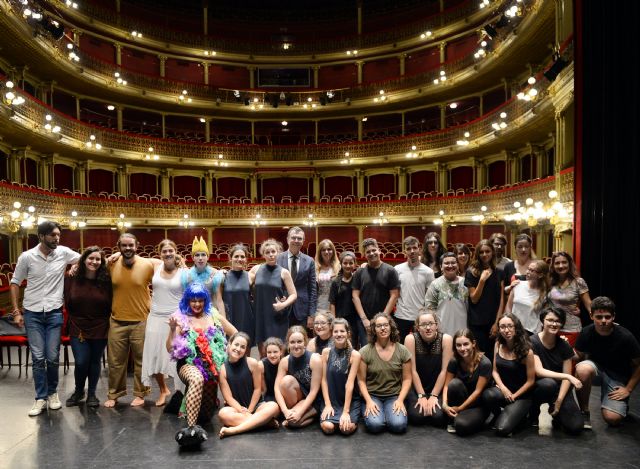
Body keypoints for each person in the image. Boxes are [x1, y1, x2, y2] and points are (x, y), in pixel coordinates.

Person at [10, 221, 81, 416]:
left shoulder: (64, 252)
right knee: (38, 357)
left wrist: (74, 266)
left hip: (54, 313)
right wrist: (16, 312)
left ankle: (52, 394)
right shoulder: (27, 257)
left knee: (52, 357)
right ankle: (40, 397)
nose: (57, 238)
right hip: (32, 313)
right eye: (52, 235)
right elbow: (15, 283)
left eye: (58, 235)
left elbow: (87, 258)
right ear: (41, 236)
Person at [167, 283, 236, 447]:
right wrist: (172, 330)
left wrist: (229, 351)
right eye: (193, 301)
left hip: (211, 368)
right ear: (187, 301)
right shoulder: (181, 318)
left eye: (200, 300)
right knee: (197, 379)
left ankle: (180, 403)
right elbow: (170, 348)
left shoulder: (214, 316)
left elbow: (235, 333)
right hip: (188, 364)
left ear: (205, 300)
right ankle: (191, 430)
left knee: (205, 416)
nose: (197, 304)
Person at [104, 233, 155, 408]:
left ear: (137, 245)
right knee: (115, 361)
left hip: (141, 319)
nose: (127, 249)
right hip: (117, 320)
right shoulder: (111, 264)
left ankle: (141, 394)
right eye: (124, 245)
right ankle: (114, 394)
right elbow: (91, 266)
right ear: (118, 246)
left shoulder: (147, 265)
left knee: (142, 360)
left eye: (130, 245)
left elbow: (165, 275)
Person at [575, 296, 640, 428]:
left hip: (617, 375)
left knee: (612, 419)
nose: (603, 321)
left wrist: (628, 389)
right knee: (582, 369)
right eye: (599, 317)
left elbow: (638, 365)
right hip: (596, 369)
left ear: (613, 317)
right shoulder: (587, 332)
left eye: (607, 317)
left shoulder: (625, 337)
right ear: (592, 316)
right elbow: (578, 355)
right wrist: (562, 348)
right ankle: (584, 411)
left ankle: (618, 406)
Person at [63, 246, 111, 408]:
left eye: (98, 259)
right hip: (78, 326)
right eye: (90, 258)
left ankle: (92, 394)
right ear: (83, 260)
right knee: (82, 361)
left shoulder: (106, 281)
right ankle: (78, 391)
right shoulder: (71, 278)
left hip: (100, 325)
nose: (94, 261)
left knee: (94, 361)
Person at [142, 239, 185, 407]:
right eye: (164, 251)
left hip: (176, 317)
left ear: (176, 252)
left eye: (170, 250)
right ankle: (163, 390)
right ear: (160, 253)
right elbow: (135, 257)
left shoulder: (184, 271)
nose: (167, 253)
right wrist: (115, 254)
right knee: (155, 355)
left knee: (176, 356)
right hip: (155, 316)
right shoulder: (155, 265)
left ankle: (179, 393)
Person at [530, 307, 584, 434]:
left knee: (575, 427)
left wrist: (559, 402)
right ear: (542, 321)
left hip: (560, 388)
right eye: (550, 320)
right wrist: (569, 377)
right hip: (539, 386)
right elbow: (539, 371)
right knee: (548, 384)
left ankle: (556, 414)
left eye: (558, 321)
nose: (554, 324)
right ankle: (533, 412)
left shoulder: (564, 345)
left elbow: (565, 378)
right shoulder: (532, 341)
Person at [218, 332, 280, 438]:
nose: (238, 349)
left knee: (273, 406)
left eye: (243, 347)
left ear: (246, 349)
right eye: (236, 345)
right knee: (222, 414)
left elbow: (257, 389)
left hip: (256, 407)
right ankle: (264, 423)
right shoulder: (223, 369)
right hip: (236, 409)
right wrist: (241, 410)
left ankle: (235, 430)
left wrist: (250, 410)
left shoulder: (252, 363)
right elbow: (228, 397)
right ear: (230, 344)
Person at [358, 313, 411, 434]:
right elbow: (361, 380)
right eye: (379, 326)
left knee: (398, 425)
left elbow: (407, 379)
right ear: (374, 330)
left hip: (394, 396)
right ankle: (383, 415)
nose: (383, 328)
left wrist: (400, 400)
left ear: (391, 327)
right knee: (375, 425)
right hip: (373, 395)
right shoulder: (365, 351)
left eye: (386, 325)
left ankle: (388, 414)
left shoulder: (402, 350)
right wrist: (368, 401)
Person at [483, 313, 535, 437]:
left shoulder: (527, 351)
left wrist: (514, 395)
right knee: (488, 395)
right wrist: (504, 389)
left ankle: (520, 415)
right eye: (502, 327)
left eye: (510, 326)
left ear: (516, 327)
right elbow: (494, 371)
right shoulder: (498, 344)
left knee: (502, 429)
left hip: (521, 396)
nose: (506, 330)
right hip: (504, 392)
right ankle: (498, 413)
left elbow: (531, 381)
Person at [404, 311, 451, 427]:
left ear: (436, 325)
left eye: (431, 323)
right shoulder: (411, 339)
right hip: (417, 387)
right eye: (423, 324)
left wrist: (434, 396)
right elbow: (412, 370)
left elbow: (444, 371)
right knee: (416, 418)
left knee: (438, 418)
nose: (428, 327)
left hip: (437, 387)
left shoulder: (446, 339)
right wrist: (422, 396)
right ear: (418, 328)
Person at [251, 239, 297, 356]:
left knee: (278, 352)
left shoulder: (284, 272)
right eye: (268, 252)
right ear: (263, 254)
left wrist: (283, 305)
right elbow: (244, 283)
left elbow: (294, 294)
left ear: (278, 253)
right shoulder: (256, 269)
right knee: (262, 352)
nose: (271, 255)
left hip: (277, 316)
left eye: (273, 251)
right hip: (260, 315)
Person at [442, 329, 492, 436]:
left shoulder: (485, 363)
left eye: (466, 344)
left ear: (473, 343)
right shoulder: (454, 361)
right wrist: (445, 404)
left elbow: (477, 392)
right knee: (454, 384)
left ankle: (464, 417)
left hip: (478, 404)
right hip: (461, 399)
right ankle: (456, 416)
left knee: (462, 426)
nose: (462, 348)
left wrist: (460, 408)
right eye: (458, 345)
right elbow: (446, 385)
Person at [352, 238, 400, 349]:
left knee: (385, 348)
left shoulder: (390, 270)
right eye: (368, 252)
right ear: (364, 254)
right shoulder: (360, 272)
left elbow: (394, 295)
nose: (371, 253)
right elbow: (355, 296)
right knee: (367, 349)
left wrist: (382, 319)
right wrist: (364, 320)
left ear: (379, 250)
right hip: (364, 320)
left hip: (385, 317)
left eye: (374, 250)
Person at [274, 326, 323, 428]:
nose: (296, 346)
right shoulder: (285, 361)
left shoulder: (315, 359)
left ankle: (313, 414)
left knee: (293, 423)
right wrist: (285, 411)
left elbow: (314, 391)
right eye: (292, 342)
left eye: (299, 342)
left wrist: (300, 412)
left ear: (305, 342)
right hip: (300, 397)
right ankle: (294, 413)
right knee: (286, 381)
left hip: (315, 400)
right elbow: (277, 389)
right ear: (288, 343)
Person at [320, 318, 362, 435]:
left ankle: (347, 417)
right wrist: (328, 405)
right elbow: (323, 381)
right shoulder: (326, 352)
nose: (339, 334)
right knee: (328, 427)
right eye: (336, 331)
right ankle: (333, 418)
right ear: (331, 333)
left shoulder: (355, 355)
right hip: (332, 400)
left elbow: (350, 384)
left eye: (342, 331)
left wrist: (345, 412)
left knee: (346, 429)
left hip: (349, 401)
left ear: (348, 333)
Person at [465, 240, 504, 356]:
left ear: (492, 252)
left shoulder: (499, 272)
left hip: (493, 322)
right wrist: (481, 281)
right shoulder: (471, 272)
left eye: (487, 251)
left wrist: (497, 323)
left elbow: (502, 300)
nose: (484, 254)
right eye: (481, 252)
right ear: (478, 254)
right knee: (478, 356)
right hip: (477, 323)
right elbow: (474, 299)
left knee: (494, 355)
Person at [394, 236, 435, 340]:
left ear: (419, 249)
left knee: (420, 348)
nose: (412, 251)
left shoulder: (428, 272)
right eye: (408, 249)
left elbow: (430, 297)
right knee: (400, 347)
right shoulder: (397, 269)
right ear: (404, 251)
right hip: (401, 316)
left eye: (414, 248)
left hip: (419, 317)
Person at [547, 251, 591, 345]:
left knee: (569, 358)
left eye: (564, 262)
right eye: (557, 263)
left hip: (571, 329)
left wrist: (601, 318)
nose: (561, 266)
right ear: (553, 266)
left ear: (569, 263)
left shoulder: (578, 282)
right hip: (551, 327)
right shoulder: (550, 282)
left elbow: (589, 305)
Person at [277, 227, 317, 329]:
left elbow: (312, 289)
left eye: (299, 238)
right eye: (293, 238)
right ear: (287, 239)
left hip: (302, 310)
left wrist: (311, 315)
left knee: (300, 342)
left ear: (303, 241)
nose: (296, 241)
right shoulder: (278, 258)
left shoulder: (309, 261)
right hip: (282, 307)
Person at [425, 252, 469, 337]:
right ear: (441, 267)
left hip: (463, 331)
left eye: (453, 263)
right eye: (446, 263)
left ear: (458, 265)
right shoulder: (435, 284)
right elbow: (429, 309)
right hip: (442, 332)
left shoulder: (466, 282)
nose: (450, 265)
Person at [181, 236, 226, 317]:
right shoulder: (186, 276)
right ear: (193, 258)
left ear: (207, 257)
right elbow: (184, 300)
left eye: (203, 255)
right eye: (197, 255)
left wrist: (224, 322)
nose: (200, 258)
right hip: (192, 315)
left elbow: (218, 300)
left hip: (211, 315)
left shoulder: (216, 275)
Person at [222, 244, 255, 349]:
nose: (239, 259)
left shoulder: (251, 276)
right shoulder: (223, 276)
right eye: (236, 256)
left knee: (245, 350)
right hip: (229, 318)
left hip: (246, 318)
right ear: (230, 258)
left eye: (242, 257)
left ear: (246, 259)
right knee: (228, 351)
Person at [505, 259, 549, 335]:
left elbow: (543, 315)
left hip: (532, 331)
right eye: (528, 269)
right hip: (514, 328)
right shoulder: (518, 284)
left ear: (540, 275)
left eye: (532, 271)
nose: (527, 272)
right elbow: (509, 306)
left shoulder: (545, 293)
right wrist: (508, 323)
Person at [329, 251, 362, 347]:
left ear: (355, 264)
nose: (348, 266)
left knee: (353, 344)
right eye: (345, 263)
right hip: (340, 319)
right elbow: (332, 303)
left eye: (351, 263)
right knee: (340, 344)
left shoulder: (358, 279)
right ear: (341, 264)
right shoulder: (335, 282)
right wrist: (334, 321)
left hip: (354, 320)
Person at [314, 239, 340, 315]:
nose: (326, 252)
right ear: (320, 252)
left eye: (329, 249)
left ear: (333, 251)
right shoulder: (315, 267)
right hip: (318, 305)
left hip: (335, 305)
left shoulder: (339, 267)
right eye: (323, 250)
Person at [258, 337, 284, 402]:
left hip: (284, 395)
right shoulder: (261, 365)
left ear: (281, 352)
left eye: (275, 352)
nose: (272, 355)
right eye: (269, 352)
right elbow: (263, 390)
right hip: (269, 396)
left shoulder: (285, 362)